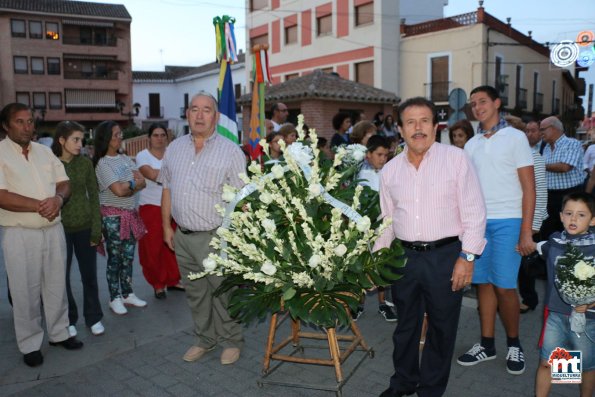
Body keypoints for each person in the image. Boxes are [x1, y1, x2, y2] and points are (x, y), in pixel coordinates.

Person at [376, 97, 486, 397]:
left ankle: (430, 389)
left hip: (446, 257)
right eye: (410, 122)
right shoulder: (389, 171)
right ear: (400, 129)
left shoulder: (456, 159)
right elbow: (386, 221)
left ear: (435, 127)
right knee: (405, 327)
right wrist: (376, 263)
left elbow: (475, 212)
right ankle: (403, 382)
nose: (418, 128)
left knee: (442, 327)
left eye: (424, 121)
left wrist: (467, 257)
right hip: (404, 258)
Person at [158, 92, 245, 365]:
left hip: (216, 237)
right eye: (194, 109)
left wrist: (237, 238)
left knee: (222, 293)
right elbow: (167, 189)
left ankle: (231, 341)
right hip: (182, 236)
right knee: (196, 294)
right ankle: (205, 339)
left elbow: (241, 199)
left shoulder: (231, 152)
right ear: (187, 114)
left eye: (206, 110)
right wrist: (165, 228)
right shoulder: (174, 148)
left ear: (216, 117)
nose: (199, 115)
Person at [458, 85, 535, 376]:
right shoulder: (471, 144)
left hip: (509, 221)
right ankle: (487, 344)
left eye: (483, 101)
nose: (477, 107)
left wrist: (526, 231)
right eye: (473, 103)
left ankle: (514, 344)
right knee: (483, 284)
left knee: (504, 285)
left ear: (497, 103)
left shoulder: (515, 138)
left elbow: (529, 187)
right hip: (478, 224)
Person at [0, 103, 83, 368]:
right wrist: (41, 205)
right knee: (25, 291)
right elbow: (2, 196)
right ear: (6, 125)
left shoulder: (45, 151)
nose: (28, 127)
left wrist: (58, 199)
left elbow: (64, 182)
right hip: (20, 233)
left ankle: (59, 333)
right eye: (20, 121)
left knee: (57, 284)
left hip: (53, 229)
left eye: (30, 121)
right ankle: (31, 343)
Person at [533, 192, 595, 397]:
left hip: (587, 320)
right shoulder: (555, 242)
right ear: (560, 216)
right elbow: (538, 247)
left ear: (593, 220)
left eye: (581, 215)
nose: (573, 219)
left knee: (585, 367)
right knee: (546, 363)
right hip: (556, 316)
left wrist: (590, 302)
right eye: (568, 213)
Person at [51, 121, 104, 337]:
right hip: (59, 229)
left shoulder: (85, 164)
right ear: (62, 140)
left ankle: (93, 317)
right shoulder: (51, 164)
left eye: (81, 140)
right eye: (75, 139)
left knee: (89, 275)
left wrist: (96, 229)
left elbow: (94, 197)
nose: (80, 144)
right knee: (61, 277)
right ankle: (68, 319)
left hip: (84, 227)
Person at [93, 120, 148, 316]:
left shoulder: (125, 159)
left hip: (130, 216)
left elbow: (142, 182)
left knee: (128, 258)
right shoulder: (102, 163)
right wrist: (133, 183)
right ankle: (114, 297)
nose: (119, 138)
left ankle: (127, 293)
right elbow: (118, 191)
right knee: (115, 259)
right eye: (116, 135)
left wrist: (130, 184)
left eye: (120, 134)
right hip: (113, 218)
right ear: (106, 138)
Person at [136, 123, 183, 299]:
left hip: (173, 207)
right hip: (150, 207)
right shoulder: (143, 155)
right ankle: (157, 283)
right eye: (155, 135)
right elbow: (150, 174)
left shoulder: (173, 154)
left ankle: (173, 280)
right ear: (149, 138)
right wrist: (175, 174)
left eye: (162, 135)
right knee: (152, 249)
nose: (159, 138)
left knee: (172, 247)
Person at [353, 135, 395, 322]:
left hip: (384, 225)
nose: (382, 159)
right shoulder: (358, 172)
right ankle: (359, 303)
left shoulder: (390, 172)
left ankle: (383, 303)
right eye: (379, 154)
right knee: (363, 264)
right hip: (364, 225)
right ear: (368, 154)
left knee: (382, 264)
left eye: (385, 155)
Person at [517, 120, 549, 314]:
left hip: (529, 220)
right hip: (515, 217)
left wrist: (534, 224)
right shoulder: (515, 156)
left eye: (532, 131)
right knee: (519, 262)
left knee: (526, 264)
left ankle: (530, 300)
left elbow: (540, 191)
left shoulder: (534, 156)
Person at [540, 116, 585, 240]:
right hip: (549, 196)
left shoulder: (572, 143)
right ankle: (549, 257)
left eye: (543, 129)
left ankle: (569, 258)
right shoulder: (547, 148)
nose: (541, 133)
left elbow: (565, 167)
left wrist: (540, 165)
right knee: (548, 232)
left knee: (570, 232)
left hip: (570, 195)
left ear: (554, 129)